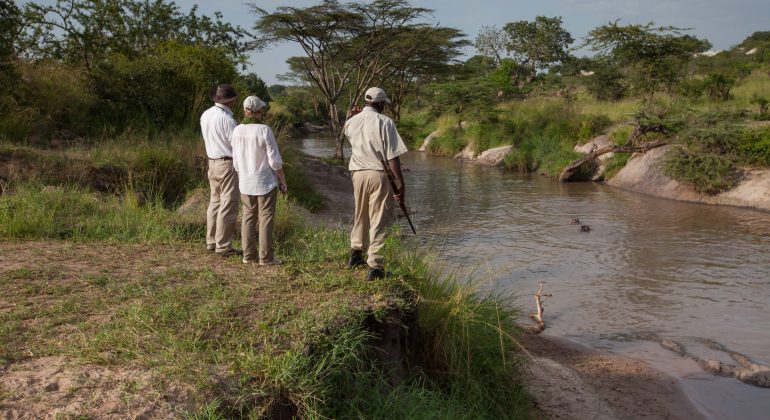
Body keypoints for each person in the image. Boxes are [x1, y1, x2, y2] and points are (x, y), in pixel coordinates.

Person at [343, 87, 408, 280]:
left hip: (357, 173)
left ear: (366, 101)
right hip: (379, 174)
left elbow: (351, 136)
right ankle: (376, 266)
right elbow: (392, 157)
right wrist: (400, 183)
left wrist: (351, 116)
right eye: (384, 104)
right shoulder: (385, 122)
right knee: (379, 217)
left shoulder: (350, 122)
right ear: (380, 103)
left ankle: (356, 254)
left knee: (360, 213)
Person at [231, 96, 288, 266]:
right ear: (259, 111)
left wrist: (241, 175)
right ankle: (266, 258)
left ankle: (248, 256)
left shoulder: (237, 130)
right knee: (266, 218)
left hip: (245, 181)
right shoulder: (264, 130)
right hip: (265, 181)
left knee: (248, 217)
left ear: (245, 110)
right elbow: (274, 160)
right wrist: (282, 179)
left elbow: (235, 159)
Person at [200, 84, 242, 257]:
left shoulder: (205, 114)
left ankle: (211, 241)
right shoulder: (228, 119)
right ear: (230, 101)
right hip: (227, 163)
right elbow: (237, 144)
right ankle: (223, 245)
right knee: (229, 204)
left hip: (212, 162)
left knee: (215, 202)